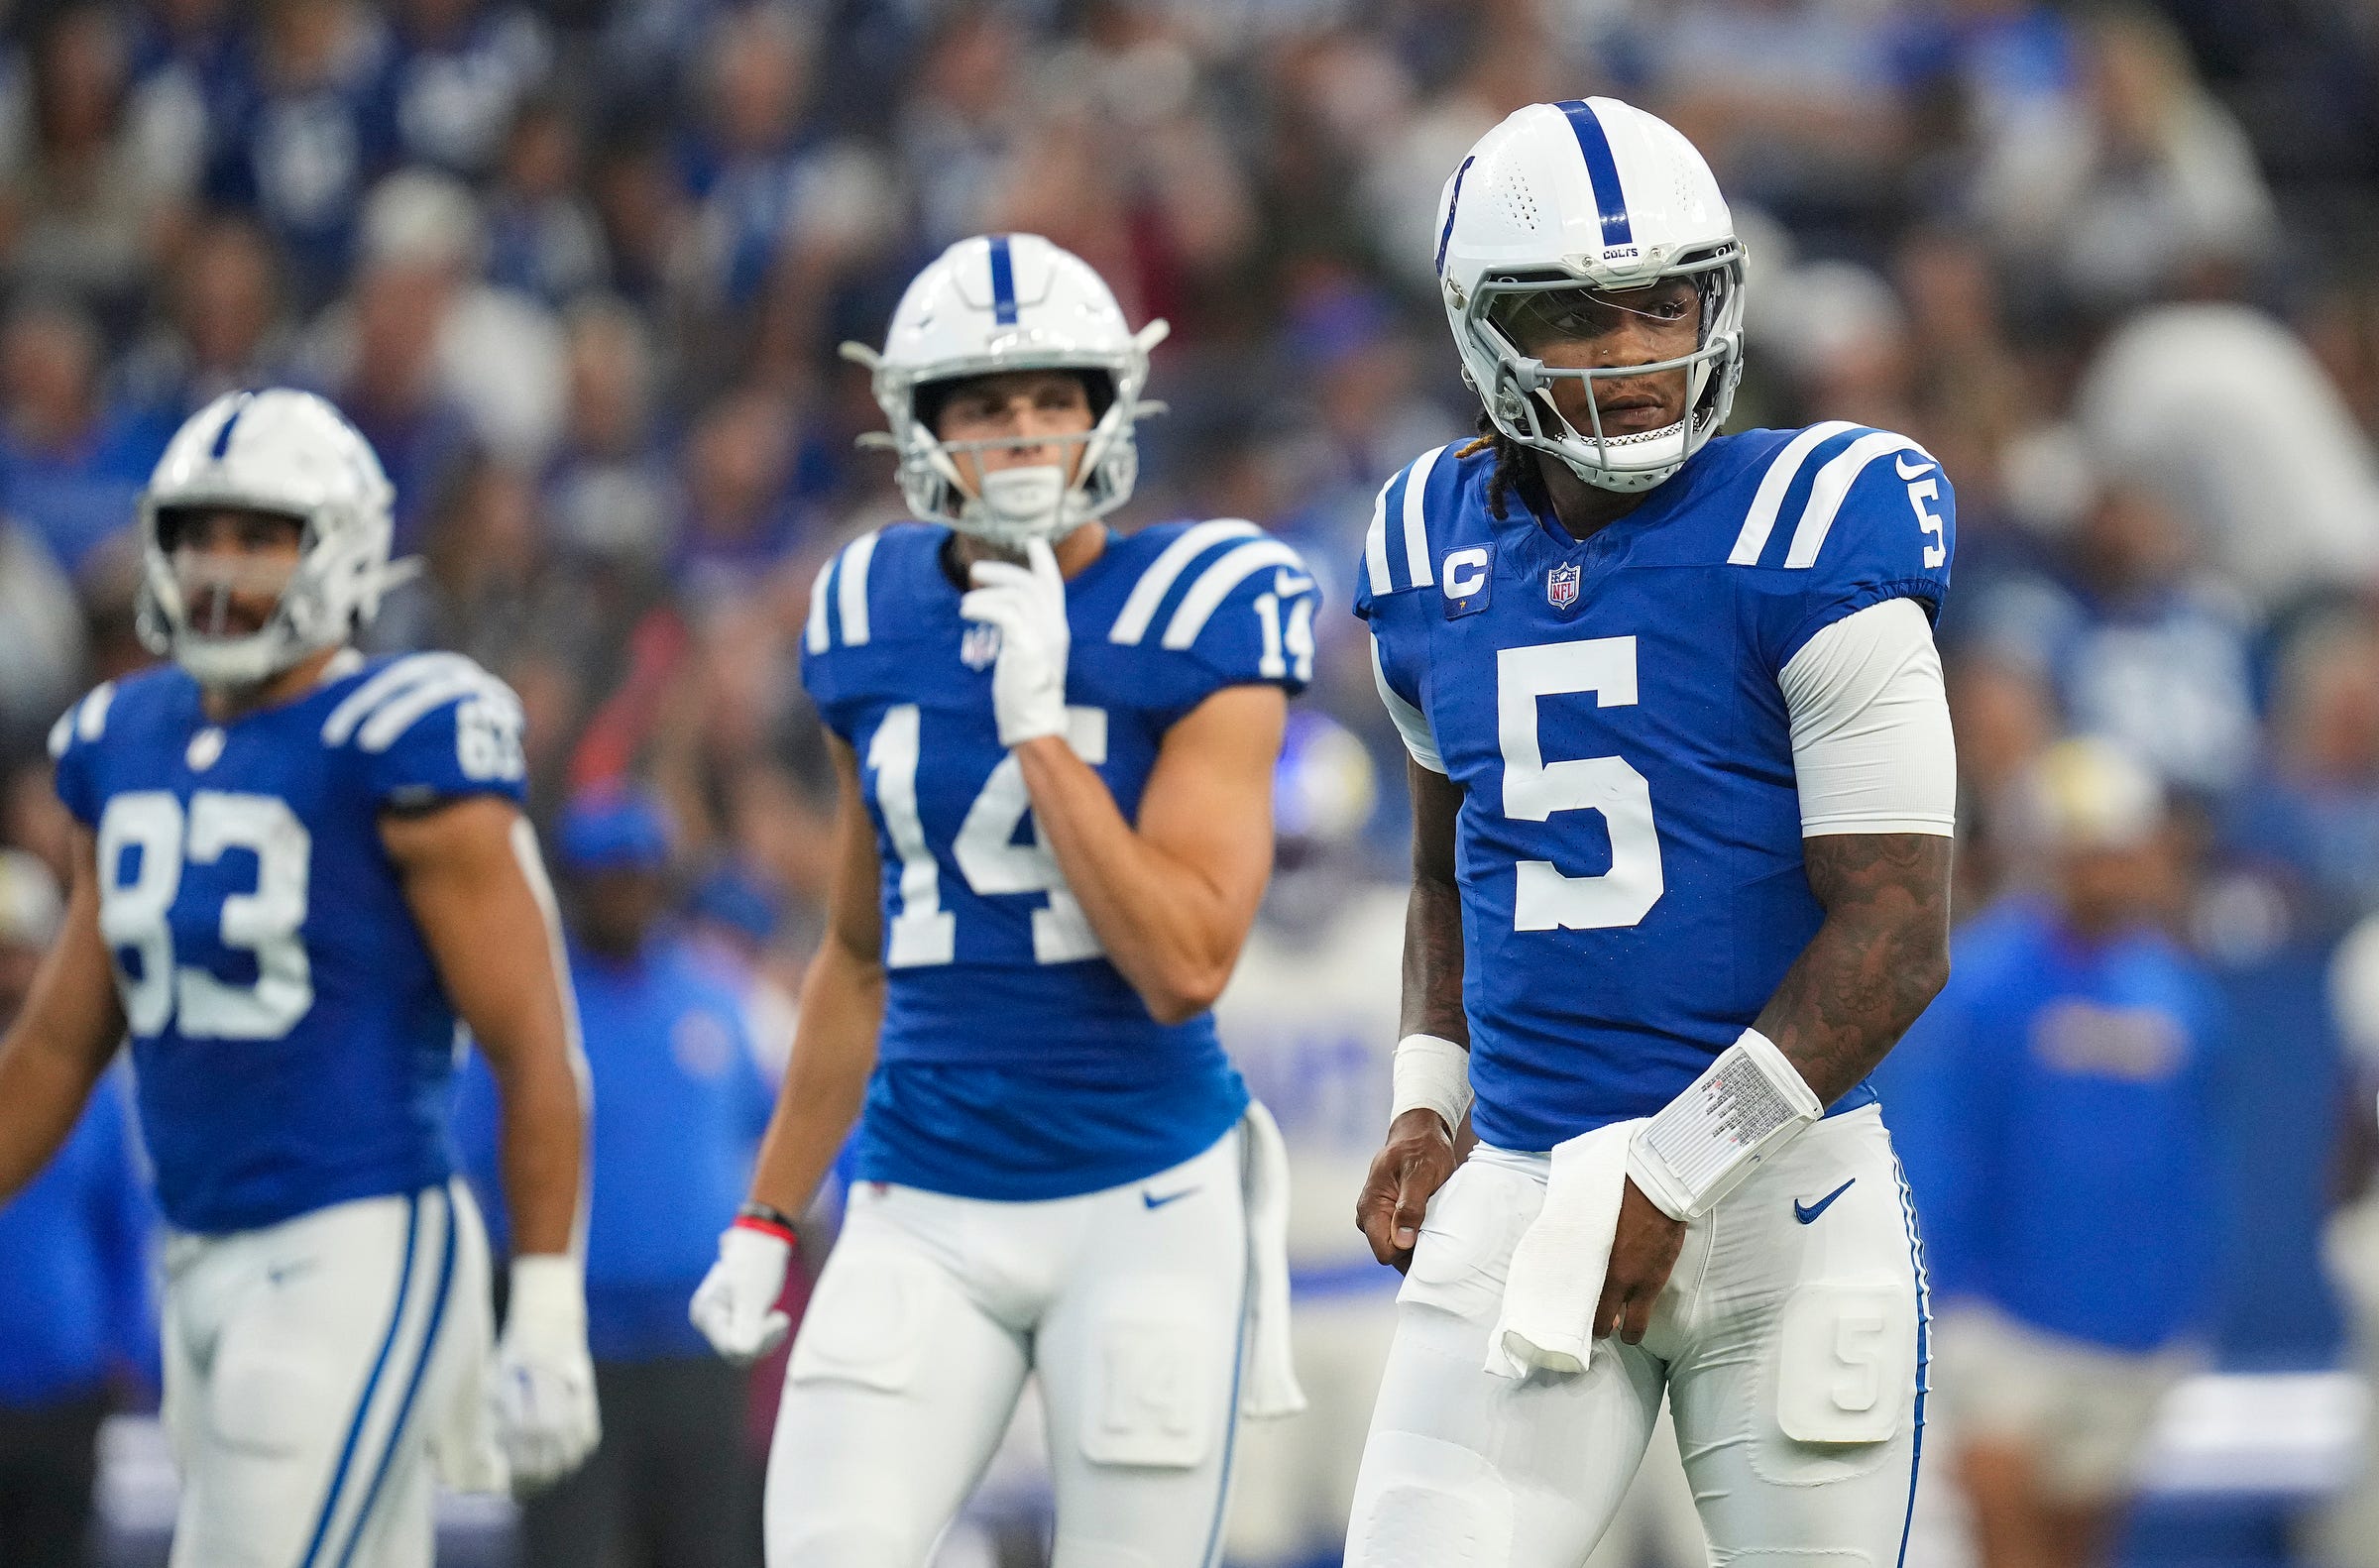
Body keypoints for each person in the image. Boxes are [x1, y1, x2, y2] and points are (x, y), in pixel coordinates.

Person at [1347, 98, 1958, 1564]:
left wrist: (1674, 1169)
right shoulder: (1428, 542)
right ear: (1487, 333)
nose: (1630, 357)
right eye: (1573, 317)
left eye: (1658, 306)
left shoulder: (1819, 520)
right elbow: (1449, 866)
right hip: (1531, 1188)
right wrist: (1430, 1094)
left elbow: (1900, 930)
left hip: (1778, 1209)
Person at [687, 232, 1313, 1566]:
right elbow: (859, 952)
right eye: (984, 404)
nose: (1024, 433)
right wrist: (769, 1209)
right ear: (920, 430)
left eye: (1051, 399)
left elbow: (1186, 963)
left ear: (1107, 412)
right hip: (923, 1195)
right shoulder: (867, 604)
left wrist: (1040, 728)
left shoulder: (1203, 597)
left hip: (1142, 1197)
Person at [0, 387, 600, 1565]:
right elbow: (61, 1043)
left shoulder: (402, 735)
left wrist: (543, 1299)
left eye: (261, 536)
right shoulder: (121, 739)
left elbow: (536, 1045)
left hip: (355, 1243)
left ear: (345, 549)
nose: (223, 568)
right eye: (201, 533)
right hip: (202, 1254)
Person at [1882, 737, 2223, 1568]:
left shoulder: (2181, 996)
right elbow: (1936, 1150)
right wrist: (1947, 1305)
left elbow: (2194, 1169)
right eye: (2086, 850)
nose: (2105, 871)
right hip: (2002, 1327)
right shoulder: (1981, 986)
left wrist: (2185, 1308)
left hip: (2128, 1329)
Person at [453, 787, 774, 1568]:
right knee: (573, 1551)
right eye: (603, 876)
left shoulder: (716, 1001)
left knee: (708, 1550)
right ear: (572, 883)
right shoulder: (530, 1013)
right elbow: (469, 1173)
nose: (621, 893)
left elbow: (767, 1143)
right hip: (573, 1344)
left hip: (698, 1347)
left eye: (634, 874)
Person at [0, 848, 154, 1568]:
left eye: (21, 954)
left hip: (66, 1389)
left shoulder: (92, 1093)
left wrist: (133, 1345)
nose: (8, 973)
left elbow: (127, 1228)